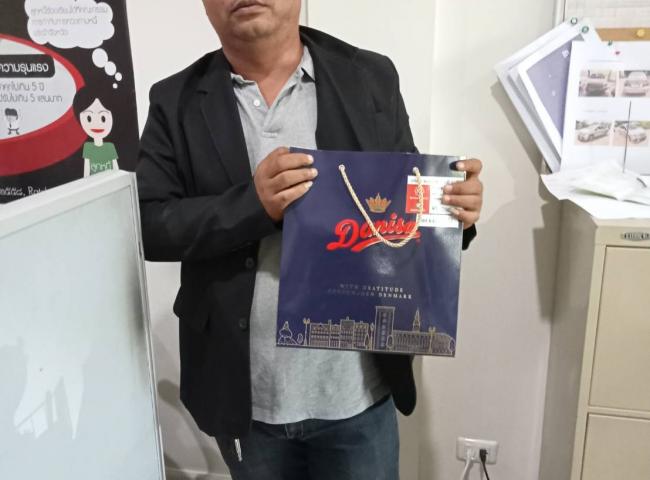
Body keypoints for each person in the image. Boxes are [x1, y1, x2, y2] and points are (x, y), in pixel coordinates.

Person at [136, 1, 484, 478]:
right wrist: (253, 205)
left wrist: (453, 211)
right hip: (245, 395)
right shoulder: (174, 100)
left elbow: (403, 198)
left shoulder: (368, 77)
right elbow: (150, 224)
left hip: (358, 389)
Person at [73, 87, 119, 177]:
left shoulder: (110, 147)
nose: (97, 123)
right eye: (89, 118)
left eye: (103, 118)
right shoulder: (88, 147)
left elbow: (116, 169)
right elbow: (86, 172)